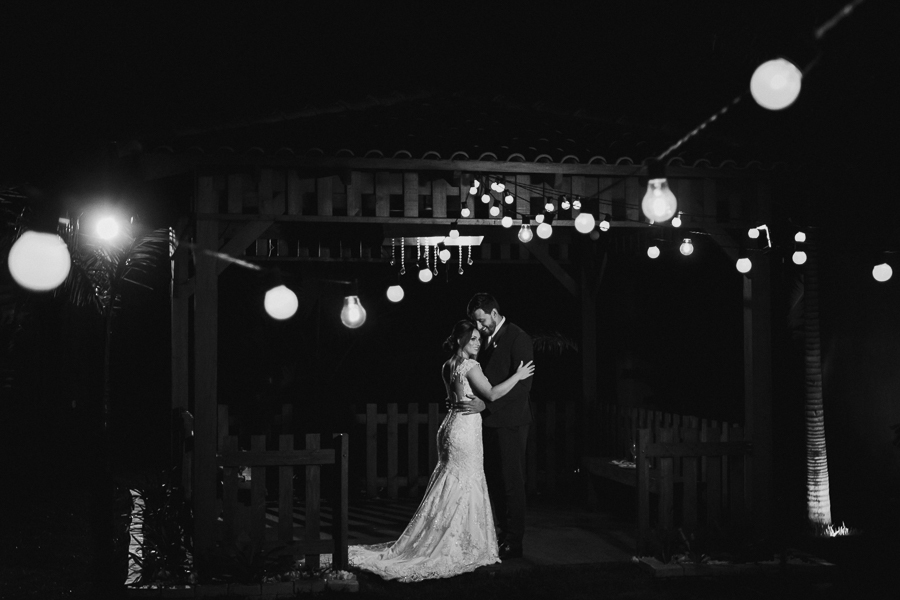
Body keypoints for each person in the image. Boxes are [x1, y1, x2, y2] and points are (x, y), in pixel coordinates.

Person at [348, 320, 534, 582]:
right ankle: (461, 541)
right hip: (465, 431)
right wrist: (518, 376)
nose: (478, 343)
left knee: (449, 482)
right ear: (460, 340)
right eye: (472, 339)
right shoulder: (470, 366)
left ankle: (443, 534)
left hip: (450, 426)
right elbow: (491, 394)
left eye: (479, 339)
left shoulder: (448, 365)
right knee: (466, 483)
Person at [456, 293, 534, 559]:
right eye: (476, 323)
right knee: (495, 481)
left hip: (511, 422)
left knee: (512, 481)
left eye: (481, 321)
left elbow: (523, 386)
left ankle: (515, 540)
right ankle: (501, 533)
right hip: (488, 423)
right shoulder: (485, 340)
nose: (479, 327)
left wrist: (486, 406)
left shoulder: (518, 337)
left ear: (494, 313)